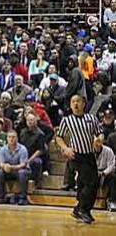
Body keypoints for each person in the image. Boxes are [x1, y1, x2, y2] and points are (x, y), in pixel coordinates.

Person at [56, 95, 105, 224]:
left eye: (78, 101)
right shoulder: (67, 120)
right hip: (76, 156)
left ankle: (84, 210)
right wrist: (66, 148)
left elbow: (100, 132)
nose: (75, 104)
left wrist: (98, 139)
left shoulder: (91, 118)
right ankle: (81, 209)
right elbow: (59, 137)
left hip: (90, 155)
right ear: (71, 105)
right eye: (73, 102)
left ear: (84, 104)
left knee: (92, 184)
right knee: (89, 182)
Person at [0, 130, 30, 205]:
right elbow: (1, 163)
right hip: (8, 170)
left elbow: (23, 165)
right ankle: (0, 197)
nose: (11, 139)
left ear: (17, 138)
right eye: (9, 137)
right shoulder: (3, 149)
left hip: (20, 170)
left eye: (13, 137)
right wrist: (5, 166)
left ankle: (23, 197)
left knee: (22, 173)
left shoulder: (22, 149)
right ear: (7, 139)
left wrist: (11, 167)